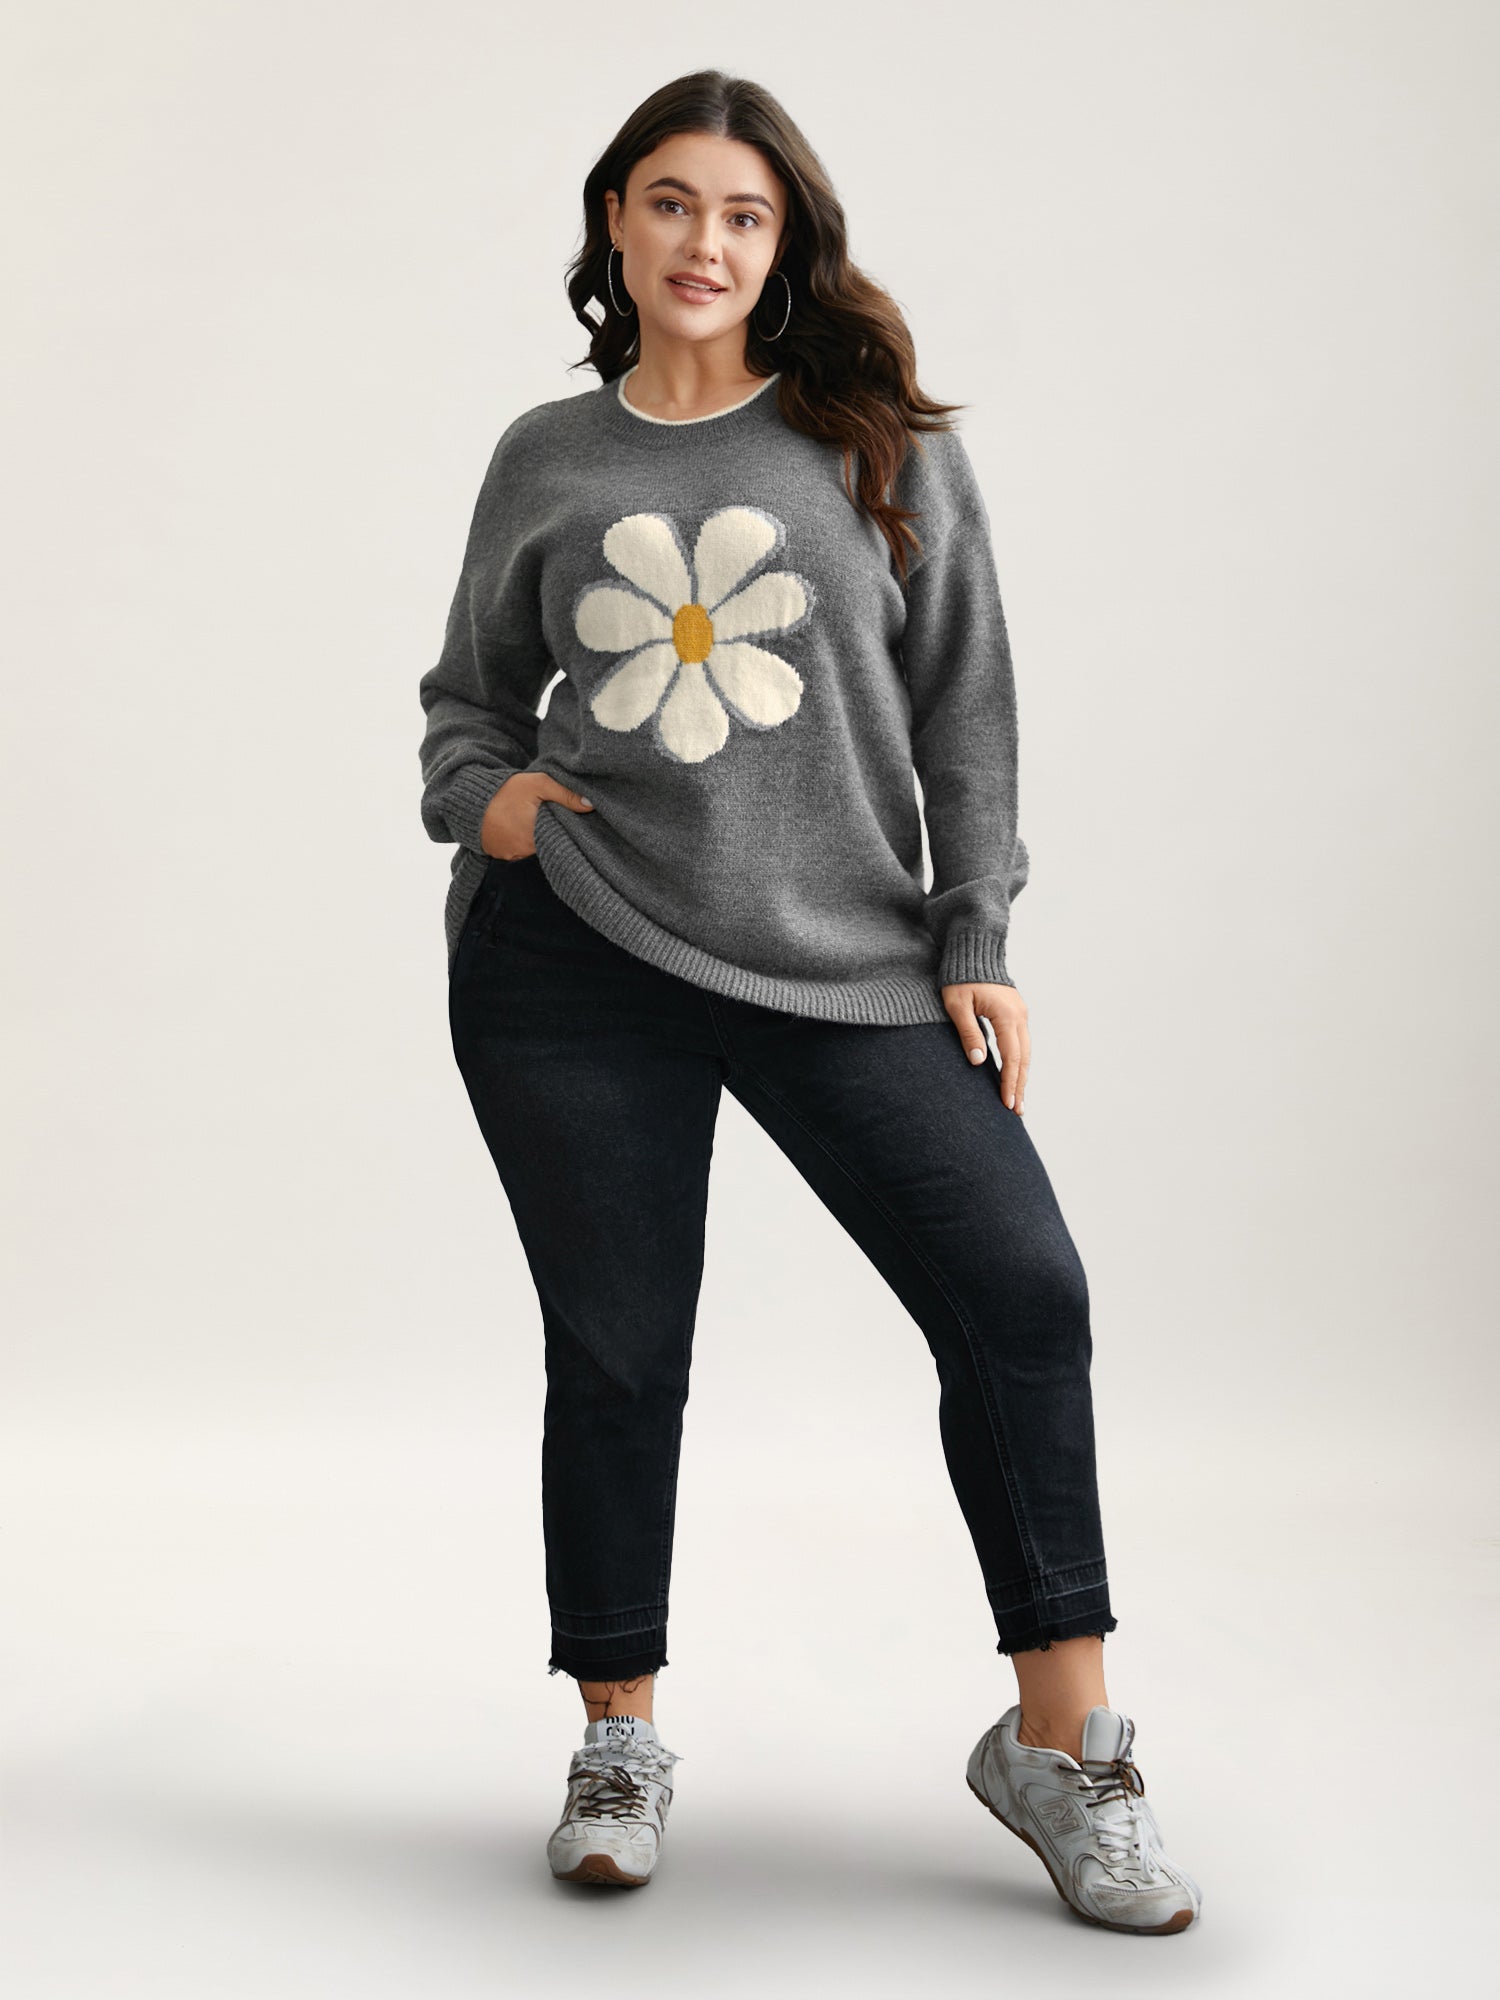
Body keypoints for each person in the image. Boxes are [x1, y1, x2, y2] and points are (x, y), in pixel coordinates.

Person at [417, 70, 1202, 1933]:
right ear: (617, 223)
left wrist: (975, 934)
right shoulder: (548, 454)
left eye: (744, 214)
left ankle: (1061, 1746)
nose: (705, 242)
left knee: (1020, 1295)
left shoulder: (875, 442)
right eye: (671, 203)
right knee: (621, 1350)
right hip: (574, 958)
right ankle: (618, 1738)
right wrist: (491, 803)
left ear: (786, 246)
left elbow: (965, 701)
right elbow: (468, 699)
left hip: (843, 961)